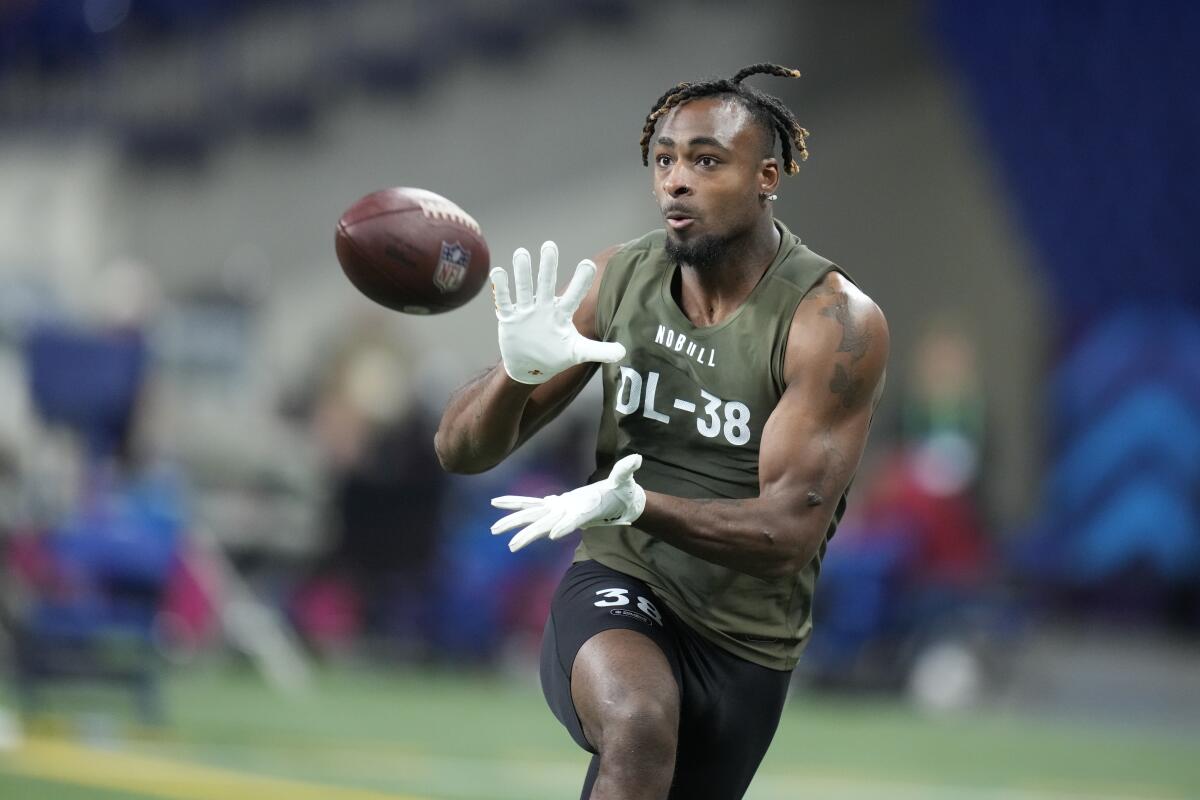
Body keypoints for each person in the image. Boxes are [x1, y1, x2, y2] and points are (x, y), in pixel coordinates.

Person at [435, 63, 888, 800]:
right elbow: (458, 451)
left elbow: (787, 538)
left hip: (748, 640)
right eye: (665, 160)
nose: (676, 180)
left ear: (767, 175)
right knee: (639, 722)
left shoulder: (832, 322)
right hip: (622, 583)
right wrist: (514, 373)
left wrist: (638, 504)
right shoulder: (618, 279)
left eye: (706, 161)